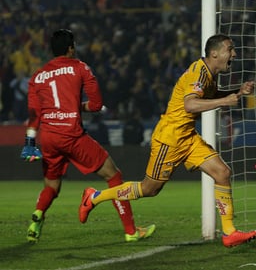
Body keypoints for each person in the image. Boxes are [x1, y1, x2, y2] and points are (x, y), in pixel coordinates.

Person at [79, 34, 256, 248]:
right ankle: (94, 196)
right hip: (170, 138)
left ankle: (229, 232)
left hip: (188, 137)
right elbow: (190, 105)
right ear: (214, 53)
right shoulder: (198, 73)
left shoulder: (208, 74)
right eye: (230, 49)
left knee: (222, 172)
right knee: (149, 189)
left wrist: (237, 92)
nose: (234, 54)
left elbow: (208, 96)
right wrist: (226, 101)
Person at [20, 29, 155, 243]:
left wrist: (29, 141)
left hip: (48, 138)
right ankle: (131, 231)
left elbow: (34, 114)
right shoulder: (80, 67)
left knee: (51, 187)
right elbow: (96, 105)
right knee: (114, 176)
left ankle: (37, 216)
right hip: (71, 135)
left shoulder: (37, 76)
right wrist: (78, 106)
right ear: (71, 48)